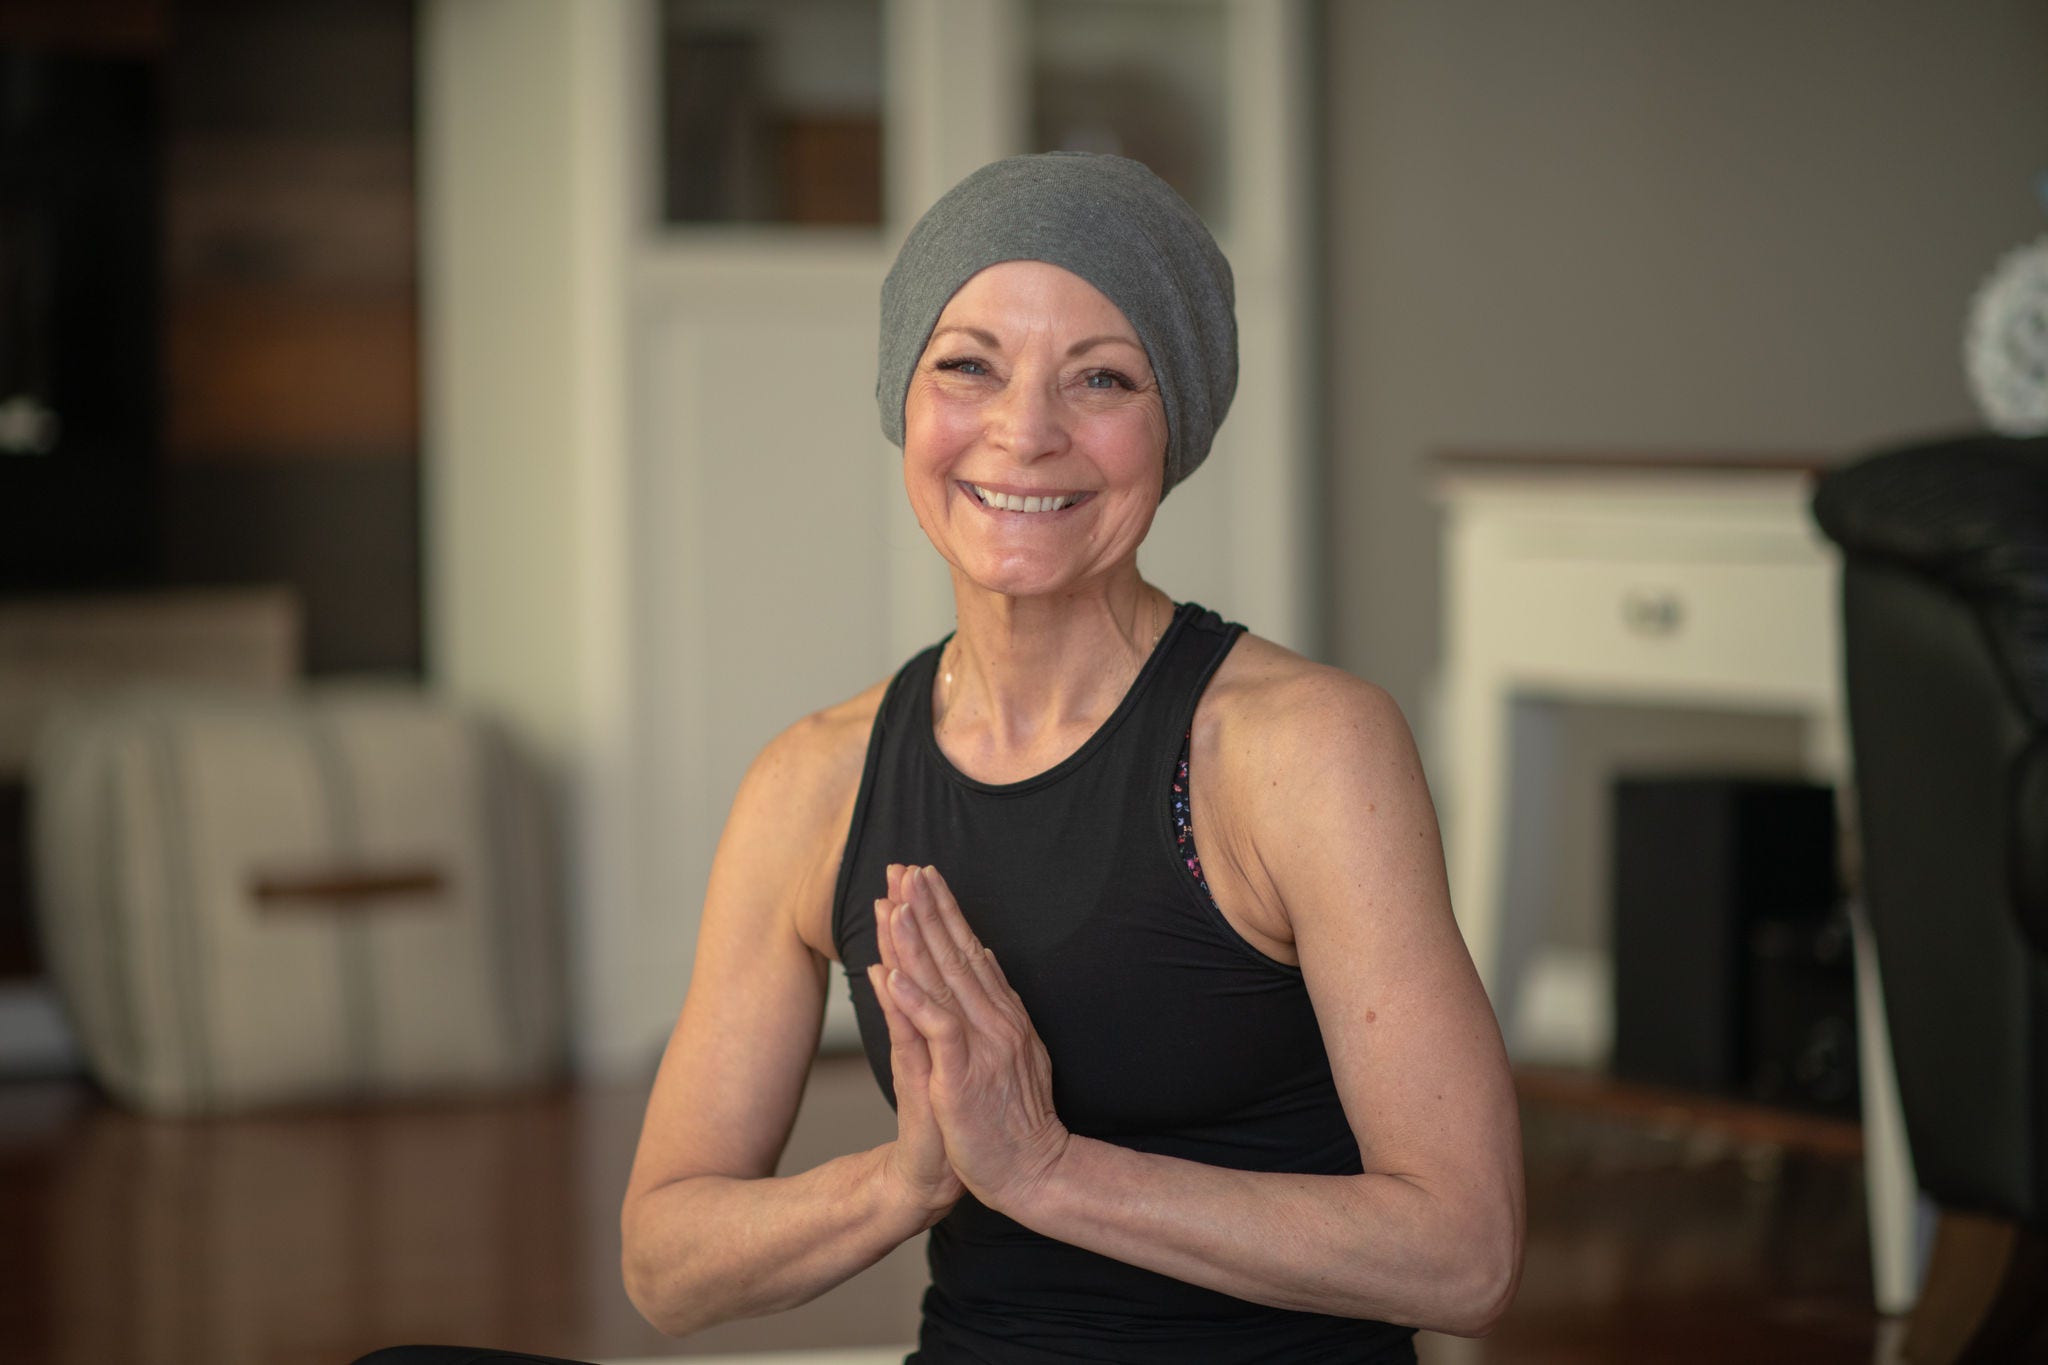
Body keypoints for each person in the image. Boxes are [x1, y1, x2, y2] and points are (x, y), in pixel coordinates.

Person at [610, 151, 1524, 1364]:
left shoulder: (1298, 751)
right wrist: (907, 1180)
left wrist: (1046, 1171)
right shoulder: (814, 785)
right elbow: (665, 1266)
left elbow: (1464, 1252)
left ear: (1174, 426)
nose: (1023, 433)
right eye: (967, 367)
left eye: (1098, 377)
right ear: (904, 400)